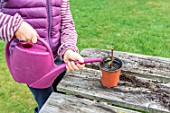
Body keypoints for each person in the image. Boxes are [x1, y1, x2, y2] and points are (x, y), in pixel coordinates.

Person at [0, 0, 85, 112]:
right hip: (30, 64)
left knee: (59, 96)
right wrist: (14, 25)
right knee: (48, 105)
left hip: (58, 59)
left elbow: (66, 22)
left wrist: (68, 49)